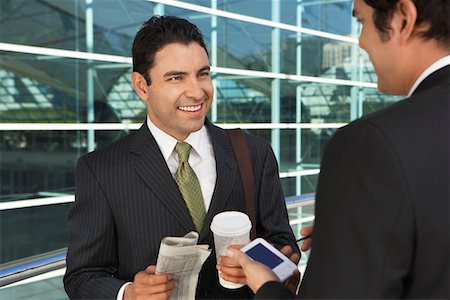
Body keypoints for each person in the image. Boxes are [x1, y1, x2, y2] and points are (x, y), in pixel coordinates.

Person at [224, 0, 449, 298]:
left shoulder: (370, 144)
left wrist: (267, 287)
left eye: (361, 22)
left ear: (403, 19)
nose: (361, 41)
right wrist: (364, 225)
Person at [63, 15, 300, 299]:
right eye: (177, 77)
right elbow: (82, 276)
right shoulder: (101, 169)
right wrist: (128, 293)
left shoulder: (253, 152)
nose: (197, 91)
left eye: (203, 73)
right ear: (141, 86)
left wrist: (269, 266)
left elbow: (283, 241)